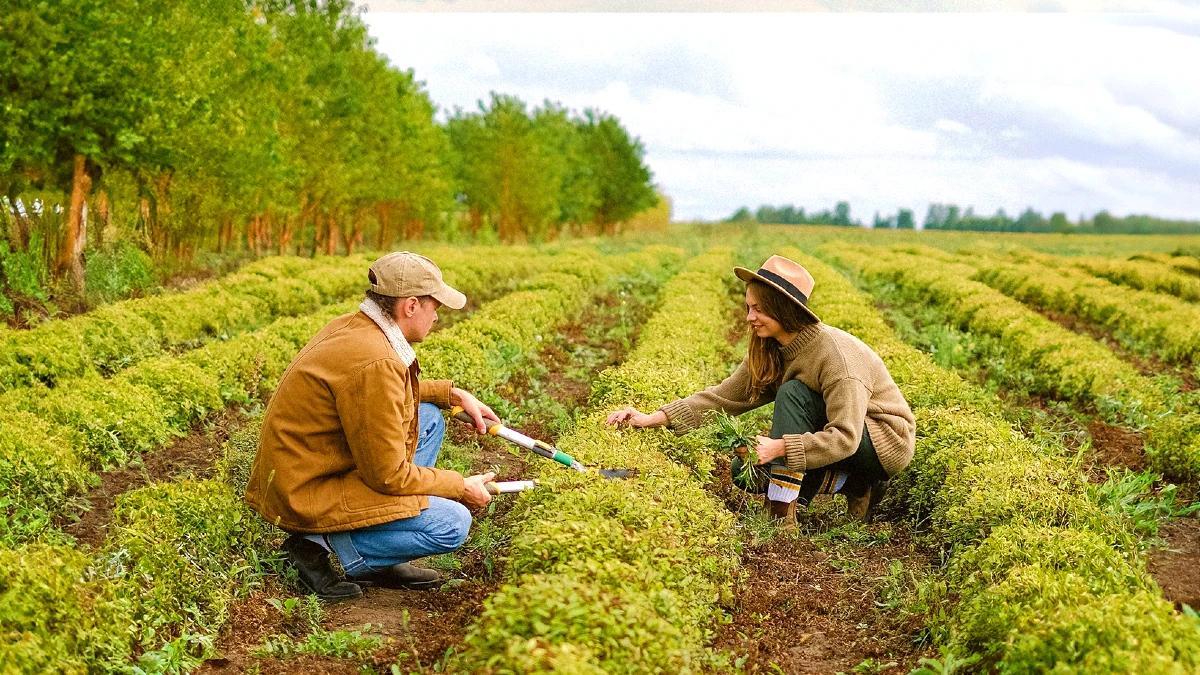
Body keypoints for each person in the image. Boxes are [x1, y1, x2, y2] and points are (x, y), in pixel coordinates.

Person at [245, 252, 500, 602]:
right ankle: (315, 546)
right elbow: (389, 476)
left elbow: (374, 393)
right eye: (435, 304)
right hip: (307, 491)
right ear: (410, 306)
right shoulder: (376, 360)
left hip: (311, 467)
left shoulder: (355, 327)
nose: (438, 315)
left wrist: (451, 394)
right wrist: (457, 486)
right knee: (453, 523)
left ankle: (377, 550)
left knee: (426, 418)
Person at [605, 255, 915, 526]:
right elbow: (723, 397)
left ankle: (781, 515)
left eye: (759, 309)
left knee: (793, 393)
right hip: (840, 438)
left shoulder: (836, 358)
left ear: (784, 310)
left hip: (881, 441)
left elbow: (846, 437)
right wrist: (651, 418)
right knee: (745, 470)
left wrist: (780, 448)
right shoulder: (771, 348)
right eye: (748, 307)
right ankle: (858, 486)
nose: (750, 317)